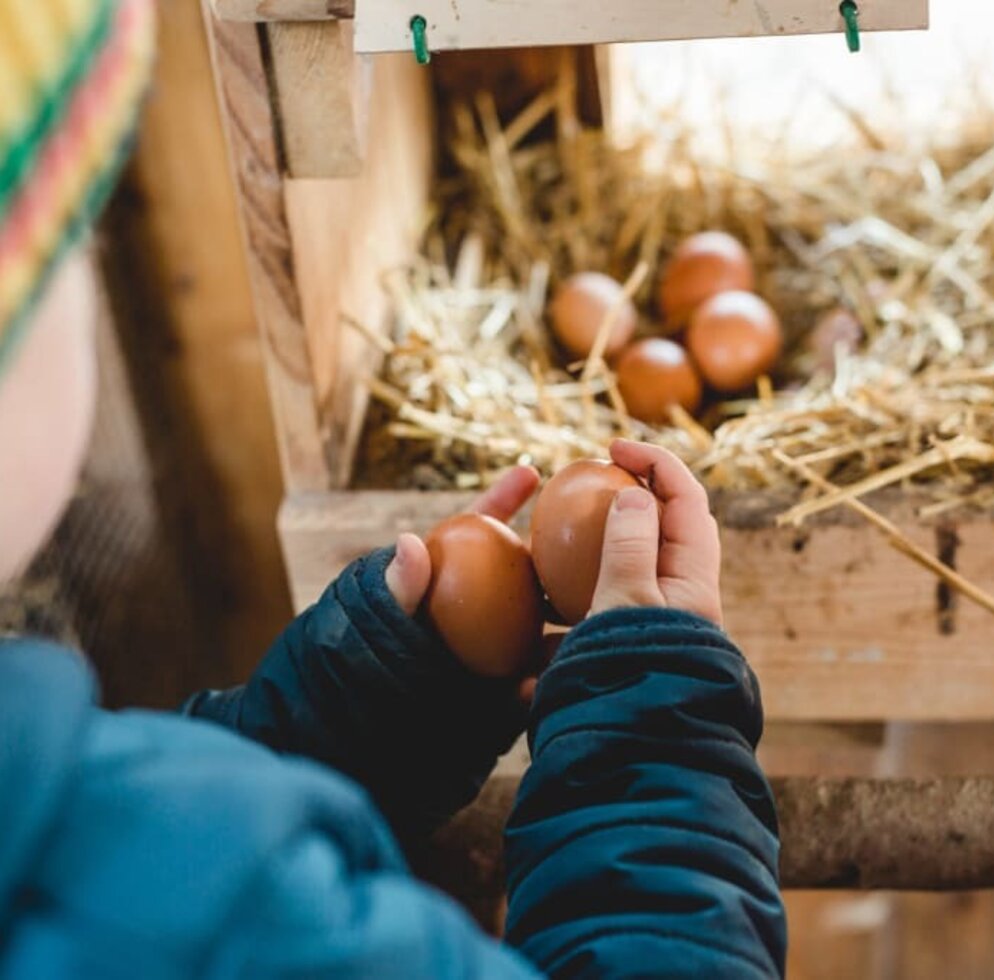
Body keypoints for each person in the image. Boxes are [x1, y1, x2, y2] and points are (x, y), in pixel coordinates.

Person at [0, 0, 787, 975]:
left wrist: (362, 717)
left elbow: (171, 812)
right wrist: (653, 732)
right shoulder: (256, 929)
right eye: (72, 248)